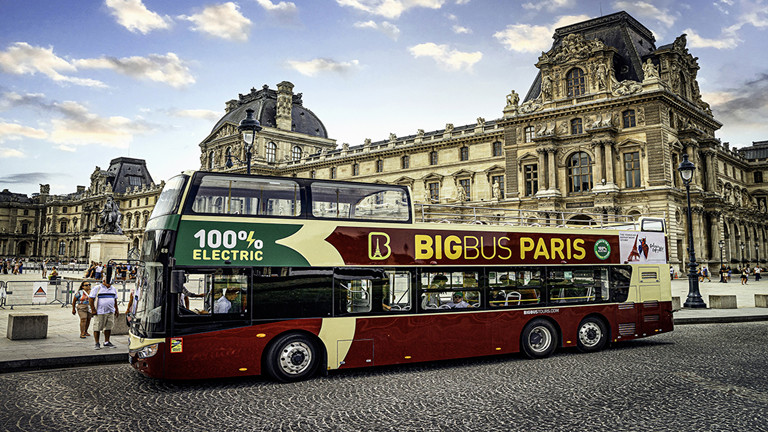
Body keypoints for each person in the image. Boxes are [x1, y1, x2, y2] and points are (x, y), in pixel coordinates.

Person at [89, 275, 119, 350]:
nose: (109, 284)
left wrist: (116, 309)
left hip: (110, 311)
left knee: (109, 327)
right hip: (100, 311)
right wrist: (93, 309)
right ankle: (97, 343)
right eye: (108, 282)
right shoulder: (97, 288)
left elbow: (115, 299)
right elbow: (91, 298)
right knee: (97, 327)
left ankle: (107, 341)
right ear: (103, 282)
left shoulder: (113, 289)